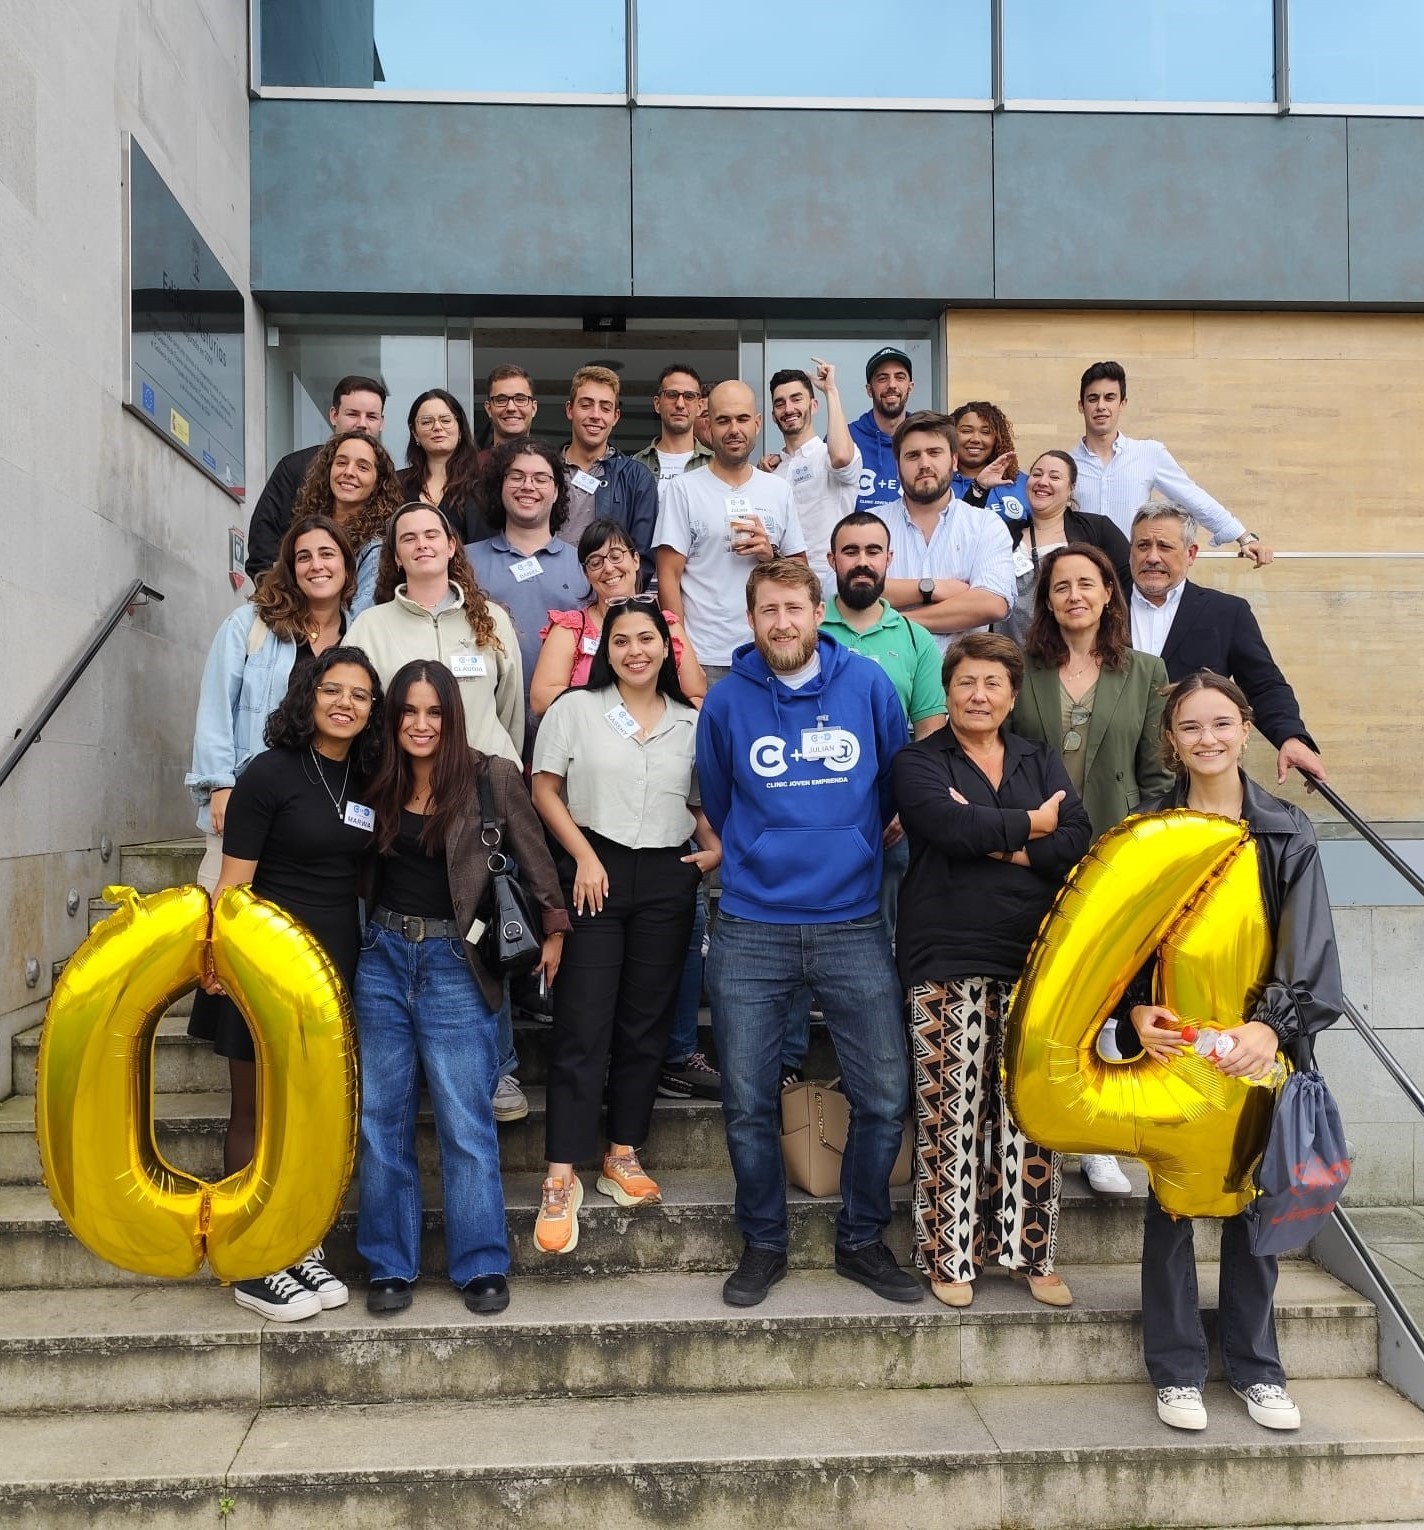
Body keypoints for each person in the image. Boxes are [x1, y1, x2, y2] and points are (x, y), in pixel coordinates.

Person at [1118, 670, 1343, 1433]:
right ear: (1171, 742)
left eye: (1220, 724)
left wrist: (1270, 1029)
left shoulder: (1286, 832)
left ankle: (1256, 1366)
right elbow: (1117, 947)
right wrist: (1134, 1011)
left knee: (1256, 1202)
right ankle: (1176, 1368)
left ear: (1245, 729)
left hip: (1257, 1049)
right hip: (1172, 1045)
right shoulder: (1147, 829)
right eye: (1190, 728)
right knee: (1172, 1204)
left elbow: (1308, 951)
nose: (1207, 740)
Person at [698, 559, 919, 1309]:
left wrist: (850, 848)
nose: (782, 623)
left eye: (794, 608)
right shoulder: (728, 701)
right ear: (752, 617)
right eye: (767, 611)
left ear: (817, 610)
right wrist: (764, 854)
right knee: (749, 1102)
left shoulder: (867, 687)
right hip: (752, 925)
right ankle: (764, 1242)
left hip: (852, 920)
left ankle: (861, 1239)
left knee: (886, 1095)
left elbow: (894, 784)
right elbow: (722, 803)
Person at [357, 660, 567, 1316]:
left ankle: (479, 1263)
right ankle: (390, 1263)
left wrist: (554, 929)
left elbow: (534, 858)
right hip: (381, 961)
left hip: (455, 960)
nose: (421, 725)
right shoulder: (375, 781)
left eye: (434, 712)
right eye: (408, 712)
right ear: (393, 720)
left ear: (452, 715)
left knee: (466, 1119)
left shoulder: (489, 776)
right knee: (380, 1119)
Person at [894, 633, 1092, 1309]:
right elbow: (944, 830)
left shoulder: (1039, 760)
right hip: (945, 952)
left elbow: (1074, 842)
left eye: (993, 685)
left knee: (1030, 1112)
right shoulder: (919, 762)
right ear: (947, 691)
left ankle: (1029, 1252)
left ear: (1012, 696)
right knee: (950, 1112)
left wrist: (1001, 837)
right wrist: (1028, 827)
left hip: (1035, 958)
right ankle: (947, 1256)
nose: (978, 696)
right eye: (966, 683)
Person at [189, 646, 384, 1320]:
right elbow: (232, 885)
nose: (346, 704)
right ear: (309, 694)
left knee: (307, 1113)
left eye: (361, 696)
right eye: (334, 689)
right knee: (256, 1111)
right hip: (260, 964)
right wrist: (218, 959)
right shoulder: (268, 774)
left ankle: (294, 1240)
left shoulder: (364, 777)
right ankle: (251, 1258)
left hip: (331, 968)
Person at [530, 602, 720, 1253]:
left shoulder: (693, 723)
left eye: (646, 638)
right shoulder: (575, 710)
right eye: (621, 640)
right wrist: (581, 856)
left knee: (645, 1023)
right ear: (604, 650)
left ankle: (622, 1151)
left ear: (666, 648)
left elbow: (695, 802)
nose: (634, 650)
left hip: (668, 879)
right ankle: (561, 1175)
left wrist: (713, 849)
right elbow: (545, 788)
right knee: (584, 1025)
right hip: (595, 871)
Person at [346, 501, 529, 1122]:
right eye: (409, 538)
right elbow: (359, 708)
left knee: (489, 920)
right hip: (405, 797)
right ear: (394, 554)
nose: (423, 545)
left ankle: (500, 1069)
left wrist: (498, 777)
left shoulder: (491, 620)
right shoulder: (370, 626)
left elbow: (510, 710)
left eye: (433, 535)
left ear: (454, 545)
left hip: (477, 795)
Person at [1008, 541, 1175, 1201]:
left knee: (1105, 999)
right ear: (1046, 601)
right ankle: (1036, 1123)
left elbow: (1158, 775)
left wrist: (1141, 848)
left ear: (1109, 592)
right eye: (1060, 587)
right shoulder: (1021, 669)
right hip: (1032, 853)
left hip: (1113, 856)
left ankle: (1098, 1141)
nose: (1074, 596)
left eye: (1087, 583)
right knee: (1040, 994)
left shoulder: (1145, 671)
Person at [527, 518, 712, 1100]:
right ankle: (567, 1154)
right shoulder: (574, 649)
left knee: (654, 996)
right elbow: (543, 708)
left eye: (618, 557)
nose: (609, 568)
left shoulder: (678, 666)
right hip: (595, 835)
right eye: (595, 561)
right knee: (587, 1010)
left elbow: (699, 707)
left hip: (663, 849)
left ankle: (649, 1102)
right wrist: (606, 706)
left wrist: (717, 845)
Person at [187, 515, 357, 888]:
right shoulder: (250, 624)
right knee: (225, 918)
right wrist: (219, 785)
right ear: (291, 567)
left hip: (322, 806)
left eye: (327, 554)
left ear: (346, 564)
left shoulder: (361, 632)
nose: (316, 565)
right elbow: (215, 706)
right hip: (249, 794)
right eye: (304, 557)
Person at [1128, 503, 1325, 783]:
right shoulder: (1100, 607)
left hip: (1190, 776)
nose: (1152, 557)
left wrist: (1290, 737)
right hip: (1110, 779)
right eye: (1143, 546)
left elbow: (1264, 685)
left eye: (1165, 546)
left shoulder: (1226, 613)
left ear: (1191, 553)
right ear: (1130, 550)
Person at [654, 379, 808, 684]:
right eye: (723, 420)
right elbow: (668, 576)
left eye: (742, 419)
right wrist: (681, 652)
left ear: (758, 424)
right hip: (705, 656)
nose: (734, 429)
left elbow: (803, 575)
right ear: (708, 426)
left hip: (769, 652)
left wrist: (770, 555)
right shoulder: (683, 489)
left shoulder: (778, 489)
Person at [1071, 361, 1273, 562]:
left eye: (1110, 398)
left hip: (1132, 572)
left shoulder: (1148, 453)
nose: (1101, 406)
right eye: (1093, 398)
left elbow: (1193, 497)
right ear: (1081, 406)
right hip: (1082, 575)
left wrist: (1243, 536)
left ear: (1122, 403)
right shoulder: (1066, 464)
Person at [468, 438, 590, 755]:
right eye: (516, 476)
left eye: (541, 478)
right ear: (500, 485)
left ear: (557, 491)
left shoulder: (586, 565)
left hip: (567, 727)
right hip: (485, 725)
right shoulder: (465, 563)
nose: (528, 486)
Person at [878, 411, 1015, 651]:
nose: (924, 464)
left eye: (934, 452)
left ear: (953, 461)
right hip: (887, 675)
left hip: (960, 679)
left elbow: (992, 603)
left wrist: (896, 622)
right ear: (897, 466)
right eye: (912, 455)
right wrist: (932, 588)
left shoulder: (984, 525)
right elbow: (845, 591)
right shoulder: (872, 525)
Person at [245, 375, 387, 580]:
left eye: (371, 416)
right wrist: (280, 598)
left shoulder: (387, 480)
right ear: (333, 415)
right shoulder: (294, 467)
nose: (362, 424)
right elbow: (263, 540)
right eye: (353, 414)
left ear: (381, 423)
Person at [999, 450, 1131, 645]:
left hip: (1079, 655)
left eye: (1054, 477)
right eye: (1036, 474)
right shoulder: (1003, 534)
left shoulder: (1098, 530)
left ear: (1071, 488)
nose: (1043, 481)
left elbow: (1127, 587)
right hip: (1012, 658)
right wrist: (980, 490)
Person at [762, 361, 862, 591]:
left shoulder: (831, 454)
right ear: (773, 416)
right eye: (780, 403)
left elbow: (841, 459)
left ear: (814, 405)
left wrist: (831, 391)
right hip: (785, 587)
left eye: (797, 399)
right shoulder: (771, 472)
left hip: (832, 585)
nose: (788, 409)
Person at [290, 430, 405, 616]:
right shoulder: (304, 530)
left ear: (378, 482)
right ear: (328, 470)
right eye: (341, 463)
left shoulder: (376, 549)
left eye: (363, 467)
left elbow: (359, 618)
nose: (349, 472)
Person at [560, 364, 658, 561]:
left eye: (605, 408)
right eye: (586, 405)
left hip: (611, 590)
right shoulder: (544, 472)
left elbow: (643, 557)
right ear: (570, 409)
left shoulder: (637, 478)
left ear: (615, 417)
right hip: (549, 589)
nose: (596, 415)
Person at [399, 388, 484, 543]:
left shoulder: (481, 486)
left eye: (445, 420)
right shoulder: (396, 483)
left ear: (460, 430)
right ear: (415, 433)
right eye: (426, 422)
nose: (437, 427)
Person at [631, 363, 712, 501]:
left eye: (689, 396)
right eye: (671, 395)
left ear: (699, 406)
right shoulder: (634, 464)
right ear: (657, 404)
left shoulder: (716, 464)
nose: (680, 404)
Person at [849, 346, 914, 511]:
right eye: (882, 378)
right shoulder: (847, 437)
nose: (892, 385)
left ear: (910, 387)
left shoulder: (926, 437)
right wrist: (783, 459)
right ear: (870, 390)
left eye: (899, 377)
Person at [949, 401, 1031, 528]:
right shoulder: (940, 485)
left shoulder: (1020, 482)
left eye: (986, 432)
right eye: (966, 431)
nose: (975, 439)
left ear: (997, 439)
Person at [479, 363, 539, 466]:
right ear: (489, 409)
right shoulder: (470, 469)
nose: (511, 408)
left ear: (533, 408)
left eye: (520, 399)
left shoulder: (551, 466)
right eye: (501, 400)